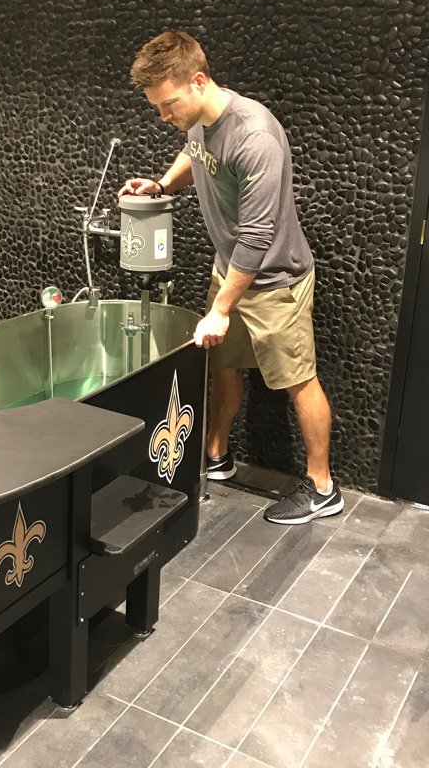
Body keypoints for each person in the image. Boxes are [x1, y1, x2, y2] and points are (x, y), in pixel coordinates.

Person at [118, 31, 343, 525]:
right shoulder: (199, 119)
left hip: (274, 280)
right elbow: (193, 155)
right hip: (231, 274)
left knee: (297, 380)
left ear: (198, 81)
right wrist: (160, 185)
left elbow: (259, 236)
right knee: (223, 369)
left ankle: (323, 486)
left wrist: (221, 307)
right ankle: (216, 456)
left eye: (168, 104)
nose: (164, 116)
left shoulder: (254, 135)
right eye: (157, 107)